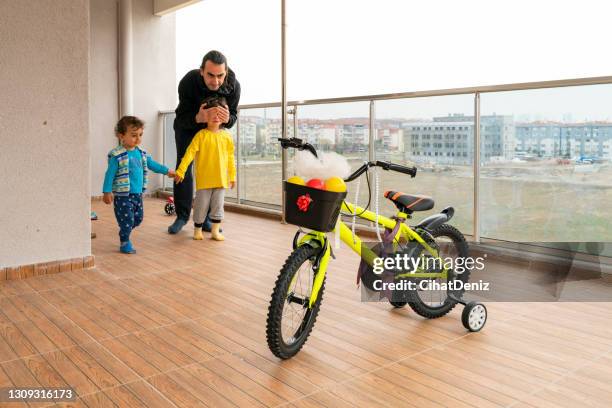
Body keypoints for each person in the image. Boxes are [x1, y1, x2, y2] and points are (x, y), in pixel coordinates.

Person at [168, 50, 241, 234]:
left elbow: (233, 118)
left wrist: (226, 119)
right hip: (188, 127)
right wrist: (198, 118)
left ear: (226, 72)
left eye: (220, 76)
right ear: (201, 71)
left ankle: (206, 219)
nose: (215, 81)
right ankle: (182, 216)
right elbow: (181, 117)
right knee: (183, 168)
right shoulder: (188, 82)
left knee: (212, 170)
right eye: (210, 75)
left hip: (213, 131)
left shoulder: (234, 86)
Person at [103, 116, 175, 253]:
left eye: (140, 135)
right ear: (121, 135)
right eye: (134, 135)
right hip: (123, 195)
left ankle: (125, 229)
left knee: (138, 218)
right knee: (128, 220)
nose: (138, 139)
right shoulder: (117, 155)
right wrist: (107, 191)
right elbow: (109, 174)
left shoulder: (141, 154)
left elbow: (153, 165)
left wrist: (167, 171)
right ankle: (125, 241)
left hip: (137, 194)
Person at [174, 96, 236, 241]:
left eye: (219, 113)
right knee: (201, 206)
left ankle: (215, 231)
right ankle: (197, 230)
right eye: (212, 113)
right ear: (205, 115)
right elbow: (189, 154)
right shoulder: (200, 136)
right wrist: (181, 171)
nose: (215, 117)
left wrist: (232, 176)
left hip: (221, 180)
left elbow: (231, 158)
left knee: (218, 207)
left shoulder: (227, 137)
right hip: (204, 180)